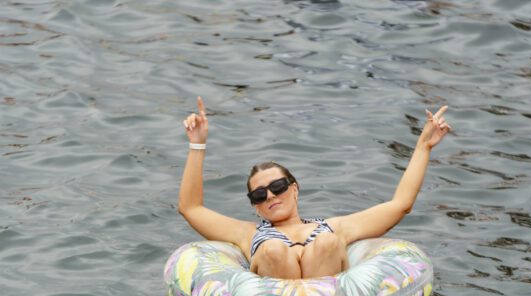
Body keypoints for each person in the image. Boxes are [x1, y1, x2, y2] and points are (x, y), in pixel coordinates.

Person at [179, 97, 451, 280]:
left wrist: (423, 146)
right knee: (273, 249)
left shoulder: (335, 227)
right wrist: (197, 144)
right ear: (255, 205)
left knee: (327, 243)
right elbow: (190, 208)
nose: (271, 195)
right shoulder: (247, 233)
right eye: (260, 194)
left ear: (295, 188)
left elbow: (400, 204)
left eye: (278, 186)